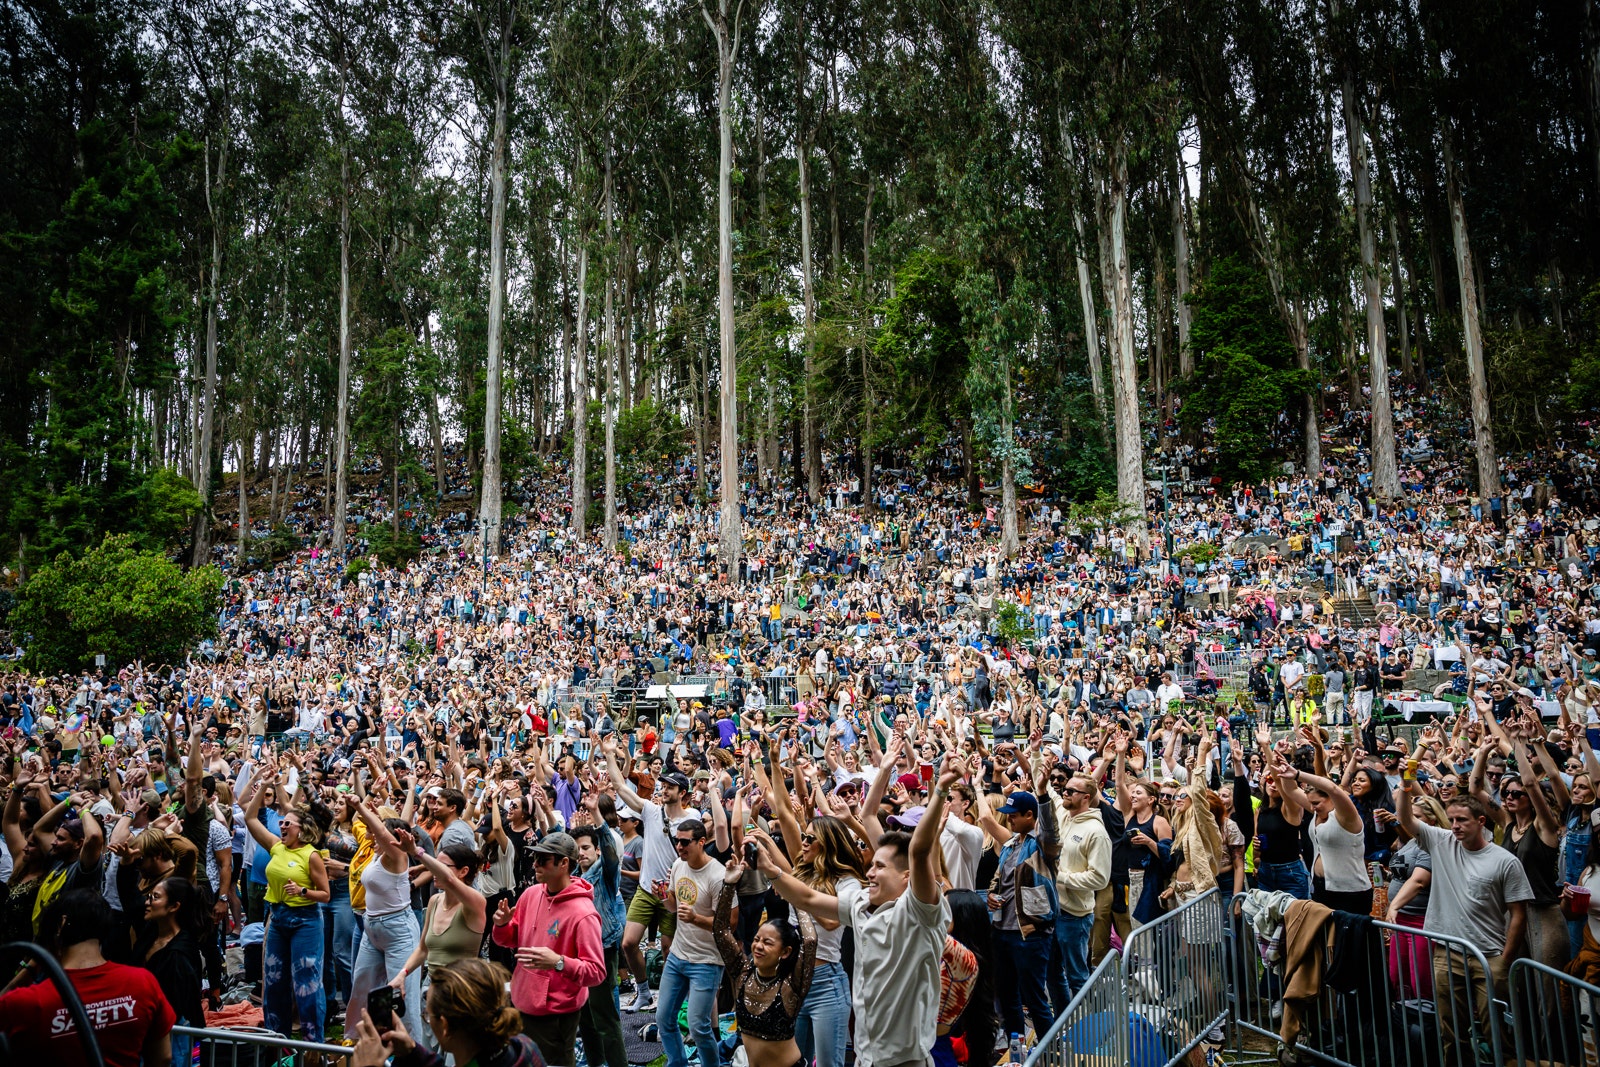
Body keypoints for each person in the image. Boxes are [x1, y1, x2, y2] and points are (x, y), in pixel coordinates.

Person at [760, 764, 954, 1067]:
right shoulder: (861, 904)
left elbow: (918, 851)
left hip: (906, 1061)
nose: (870, 872)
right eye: (872, 864)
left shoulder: (920, 914)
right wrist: (772, 871)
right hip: (866, 1058)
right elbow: (808, 896)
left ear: (907, 877)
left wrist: (939, 790)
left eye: (880, 867)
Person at [1396, 780, 1532, 1061]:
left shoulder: (1504, 861)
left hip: (1489, 955)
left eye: (1462, 820)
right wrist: (1406, 789)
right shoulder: (1441, 842)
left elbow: (1519, 913)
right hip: (1447, 951)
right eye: (1452, 820)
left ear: (1481, 822)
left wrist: (1505, 959)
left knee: (1497, 1026)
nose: (1455, 825)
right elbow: (1406, 819)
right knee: (1450, 1028)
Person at [0, 889, 174, 1067]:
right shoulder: (142, 983)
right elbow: (163, 1057)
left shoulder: (25, 1002)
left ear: (61, 923)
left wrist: (32, 966)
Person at [490, 830, 606, 1065]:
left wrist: (558, 962)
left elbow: (596, 972)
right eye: (534, 858)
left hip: (556, 1015)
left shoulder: (584, 914)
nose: (534, 865)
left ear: (564, 863)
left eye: (542, 859)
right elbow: (511, 939)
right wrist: (502, 925)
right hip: (521, 1003)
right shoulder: (531, 894)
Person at [599, 733, 692, 1012]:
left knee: (668, 950)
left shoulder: (693, 819)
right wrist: (609, 755)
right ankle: (643, 993)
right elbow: (619, 786)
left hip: (672, 893)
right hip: (646, 889)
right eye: (662, 785)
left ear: (682, 793)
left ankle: (668, 1000)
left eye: (670, 787)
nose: (664, 789)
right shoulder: (651, 810)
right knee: (628, 944)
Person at [244, 765, 331, 1042]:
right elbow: (249, 818)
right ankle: (276, 1043)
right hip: (278, 917)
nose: (281, 826)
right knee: (273, 981)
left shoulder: (311, 855)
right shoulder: (276, 846)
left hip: (305, 919)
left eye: (287, 823)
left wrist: (303, 890)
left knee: (306, 984)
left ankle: (314, 1046)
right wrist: (262, 785)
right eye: (281, 823)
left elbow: (325, 894)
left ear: (301, 829)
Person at [711, 855, 818, 1067]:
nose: (758, 946)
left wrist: (795, 897)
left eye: (768, 943)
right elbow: (721, 930)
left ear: (785, 952)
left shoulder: (792, 984)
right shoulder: (743, 973)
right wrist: (729, 884)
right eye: (757, 939)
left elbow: (810, 941)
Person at [351, 958, 547, 1067]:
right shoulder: (525, 1047)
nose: (427, 1019)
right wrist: (412, 1051)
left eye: (427, 1016)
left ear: (444, 1025)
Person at [347, 794, 425, 1040]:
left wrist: (360, 804)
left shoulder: (397, 856)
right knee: (362, 987)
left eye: (377, 832)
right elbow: (372, 826)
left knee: (402, 995)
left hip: (398, 930)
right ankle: (357, 1043)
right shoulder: (374, 854)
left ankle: (411, 1051)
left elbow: (380, 828)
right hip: (371, 929)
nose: (372, 835)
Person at [654, 817, 728, 1067]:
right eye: (677, 841)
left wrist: (696, 919)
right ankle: (677, 1063)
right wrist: (663, 897)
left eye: (685, 842)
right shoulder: (678, 865)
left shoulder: (718, 875)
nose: (679, 847)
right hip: (677, 956)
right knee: (664, 1019)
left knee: (698, 1027)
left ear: (702, 842)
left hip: (706, 962)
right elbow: (674, 907)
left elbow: (728, 924)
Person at [572, 806, 629, 1067]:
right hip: (577, 953)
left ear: (596, 850)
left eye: (586, 847)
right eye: (578, 849)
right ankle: (596, 1063)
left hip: (603, 950)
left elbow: (610, 851)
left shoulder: (606, 874)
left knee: (605, 1017)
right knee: (585, 1017)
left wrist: (597, 818)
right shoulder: (572, 878)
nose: (581, 853)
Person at [133, 876, 207, 1067]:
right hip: (149, 1030)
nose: (147, 903)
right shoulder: (151, 931)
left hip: (173, 1038)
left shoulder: (178, 956)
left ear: (174, 906)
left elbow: (179, 1007)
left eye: (155, 897)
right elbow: (128, 898)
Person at [1049, 773, 1111, 1000]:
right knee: (1052, 972)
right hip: (1053, 910)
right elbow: (1045, 787)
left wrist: (1061, 877)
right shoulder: (1064, 814)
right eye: (1064, 789)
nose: (1064, 792)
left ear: (1086, 797)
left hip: (1075, 916)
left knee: (1076, 976)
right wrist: (1035, 754)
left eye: (1070, 791)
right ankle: (1064, 1023)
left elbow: (1100, 878)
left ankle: (1088, 1025)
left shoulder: (1096, 832)